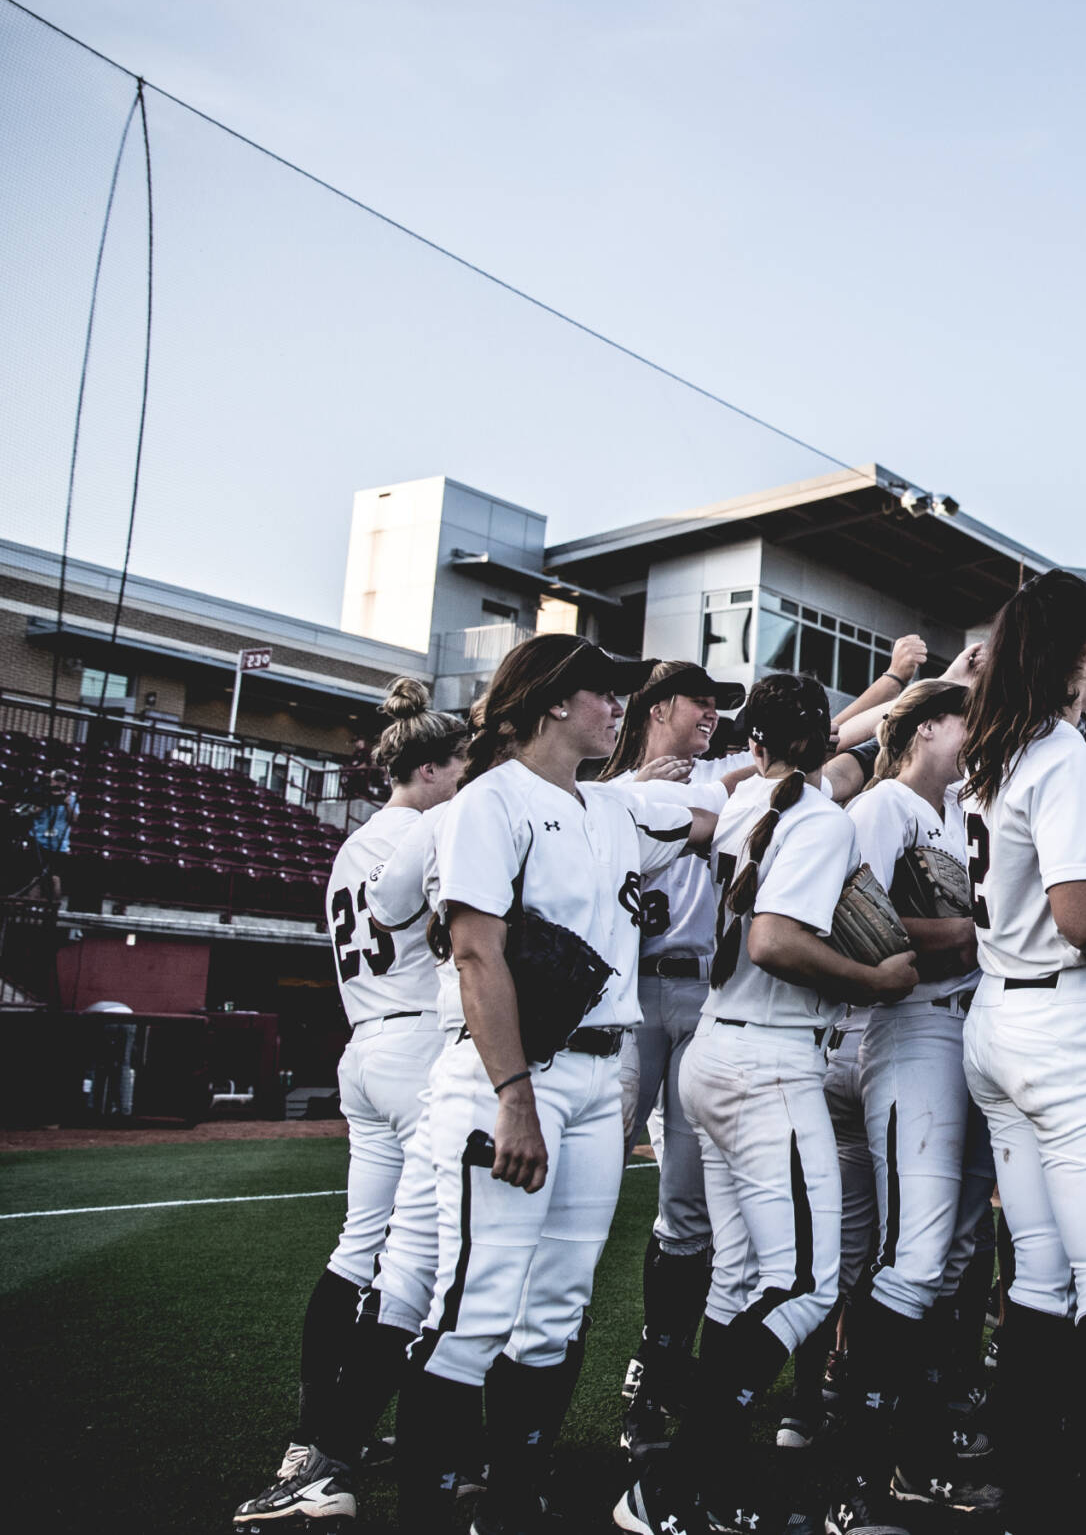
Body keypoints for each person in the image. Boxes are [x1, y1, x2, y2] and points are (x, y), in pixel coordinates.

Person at [396, 635, 717, 1535]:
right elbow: (474, 951)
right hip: (513, 1074)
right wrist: (513, 1095)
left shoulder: (613, 806)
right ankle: (428, 1510)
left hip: (597, 1068)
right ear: (547, 702)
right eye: (601, 690)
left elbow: (721, 821)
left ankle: (511, 1497)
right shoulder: (487, 803)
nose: (618, 704)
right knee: (476, 1303)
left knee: (558, 1305)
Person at [617, 673, 918, 1535]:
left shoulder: (749, 807)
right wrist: (874, 977)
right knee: (809, 1284)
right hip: (767, 1058)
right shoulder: (817, 818)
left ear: (752, 745)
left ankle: (706, 1480)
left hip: (715, 1046)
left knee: (743, 1276)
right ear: (827, 740)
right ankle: (672, 1483)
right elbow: (776, 939)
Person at [957, 568, 1086, 1533]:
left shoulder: (997, 747)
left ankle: (1033, 1494)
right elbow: (1084, 915)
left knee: (1040, 1275)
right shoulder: (1060, 755)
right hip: (1070, 1028)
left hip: (999, 1019)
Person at [231, 679, 470, 1533]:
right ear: (432, 765)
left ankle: (312, 1442)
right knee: (437, 1253)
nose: (467, 774)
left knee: (358, 1247)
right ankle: (425, 1430)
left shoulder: (351, 841)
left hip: (361, 1047)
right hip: (415, 1046)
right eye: (461, 761)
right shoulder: (431, 827)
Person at [822, 679, 1003, 1529]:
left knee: (957, 1252)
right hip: (911, 1026)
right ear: (929, 724)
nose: (974, 733)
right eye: (964, 717)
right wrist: (972, 931)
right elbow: (849, 913)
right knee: (916, 1252)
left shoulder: (958, 807)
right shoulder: (887, 800)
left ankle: (916, 1452)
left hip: (968, 1028)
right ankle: (852, 1478)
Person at [599, 660, 747, 1465]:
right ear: (660, 706)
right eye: (702, 699)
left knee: (687, 1205)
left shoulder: (727, 777)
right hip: (625, 997)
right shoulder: (605, 787)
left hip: (703, 1000)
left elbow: (822, 741)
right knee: (578, 1184)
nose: (714, 712)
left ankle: (656, 1371)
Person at [24, 767, 79, 906]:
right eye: (56, 780)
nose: (59, 784)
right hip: (39, 841)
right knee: (36, 876)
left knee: (55, 877)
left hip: (59, 844)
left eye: (62, 781)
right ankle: (31, 906)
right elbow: (29, 813)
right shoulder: (39, 794)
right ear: (51, 780)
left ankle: (54, 908)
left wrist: (66, 804)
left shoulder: (70, 799)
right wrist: (45, 801)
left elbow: (74, 819)